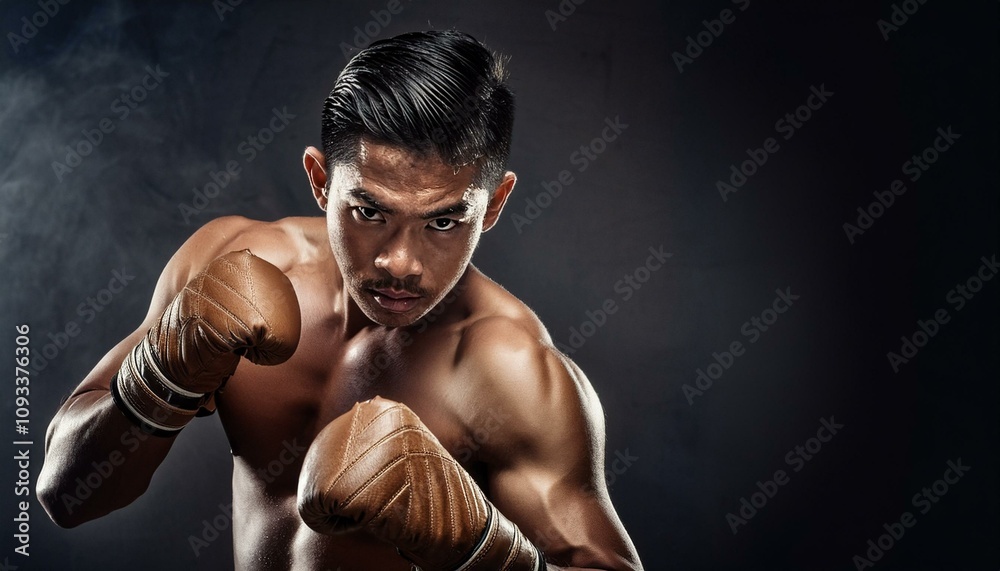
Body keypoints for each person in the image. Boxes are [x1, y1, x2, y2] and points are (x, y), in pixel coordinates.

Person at [37, 30, 643, 570]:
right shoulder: (234, 262)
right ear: (321, 179)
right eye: (370, 211)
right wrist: (161, 375)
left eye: (443, 223)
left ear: (496, 204)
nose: (399, 263)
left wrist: (485, 552)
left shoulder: (511, 371)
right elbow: (65, 494)